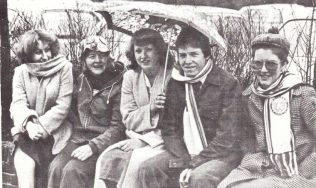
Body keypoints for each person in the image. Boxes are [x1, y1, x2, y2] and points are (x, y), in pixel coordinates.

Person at [138, 26, 243, 188]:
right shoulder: (176, 82)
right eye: (182, 55)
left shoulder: (227, 83)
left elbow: (227, 138)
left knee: (199, 178)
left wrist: (195, 162)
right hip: (186, 152)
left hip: (221, 156)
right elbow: (170, 129)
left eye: (194, 54)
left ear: (207, 56)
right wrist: (184, 158)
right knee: (149, 168)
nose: (187, 61)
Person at [218, 28, 316, 188]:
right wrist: (254, 160)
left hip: (299, 171)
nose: (263, 71)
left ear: (283, 64)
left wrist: (308, 167)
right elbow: (248, 139)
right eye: (257, 64)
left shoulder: (302, 94)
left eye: (271, 64)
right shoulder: (249, 96)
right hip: (259, 167)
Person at [93, 28, 174, 188]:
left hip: (163, 142)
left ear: (159, 52)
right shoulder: (130, 77)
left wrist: (145, 141)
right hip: (134, 136)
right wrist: (151, 108)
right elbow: (128, 118)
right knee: (106, 158)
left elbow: (176, 125)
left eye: (149, 50)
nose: (143, 56)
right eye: (138, 51)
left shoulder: (173, 77)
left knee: (138, 164)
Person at [47, 35, 125, 188]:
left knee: (73, 170)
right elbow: (65, 108)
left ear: (109, 58)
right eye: (91, 56)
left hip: (104, 143)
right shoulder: (80, 80)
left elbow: (119, 128)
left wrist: (93, 147)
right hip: (78, 139)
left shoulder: (119, 84)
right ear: (84, 60)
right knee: (55, 168)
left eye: (102, 56)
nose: (97, 60)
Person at [10, 30, 73, 188]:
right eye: (38, 52)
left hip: (55, 131)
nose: (45, 56)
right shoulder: (20, 72)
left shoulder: (64, 68)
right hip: (28, 131)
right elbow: (17, 104)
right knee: (24, 162)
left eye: (47, 50)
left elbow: (63, 105)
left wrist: (42, 127)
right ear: (28, 54)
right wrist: (29, 125)